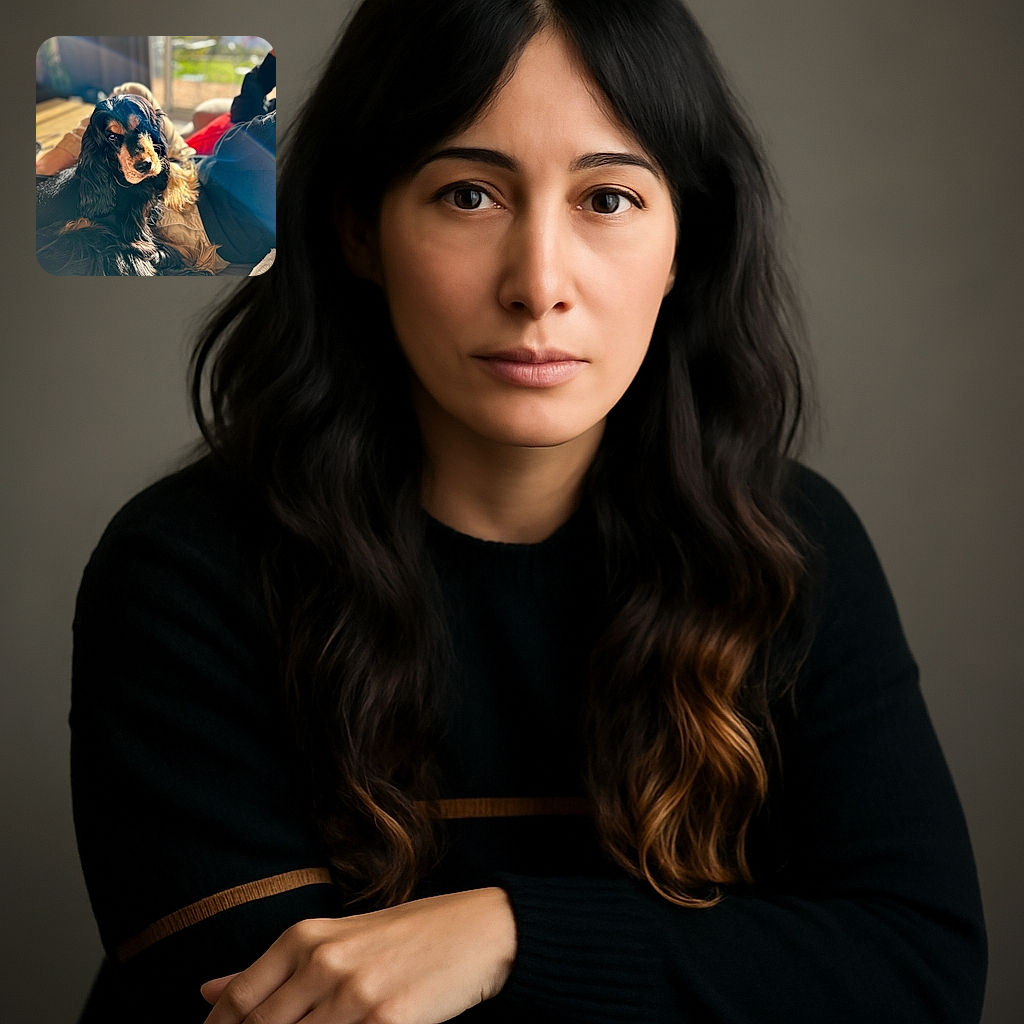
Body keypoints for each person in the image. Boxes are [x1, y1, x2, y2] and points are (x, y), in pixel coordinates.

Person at [69, 1, 986, 1021]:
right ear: (360, 230)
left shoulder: (789, 548)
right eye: (468, 194)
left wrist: (506, 934)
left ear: (686, 241)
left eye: (607, 199)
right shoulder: (186, 568)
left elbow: (917, 965)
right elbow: (265, 1005)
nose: (538, 284)